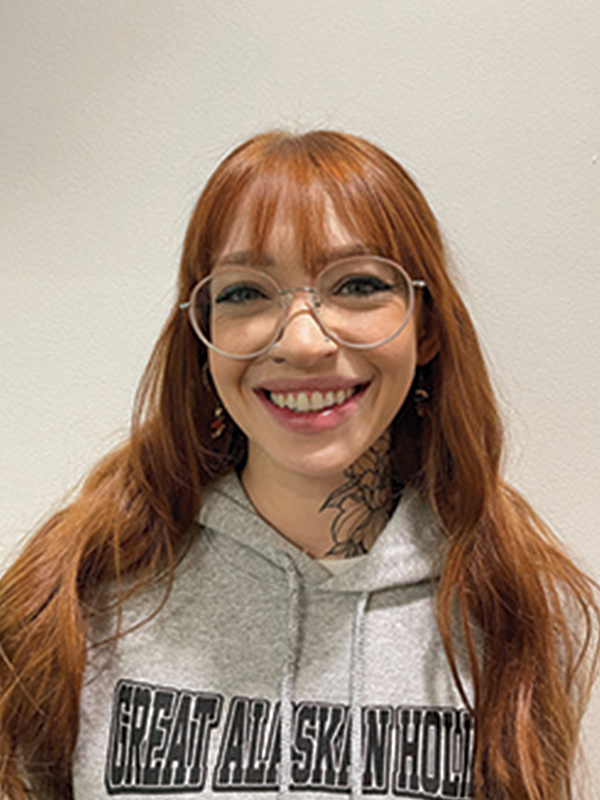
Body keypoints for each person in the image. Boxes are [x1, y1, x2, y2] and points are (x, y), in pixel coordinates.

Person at [0, 130, 598, 800]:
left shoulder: (514, 606)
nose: (304, 341)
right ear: (204, 339)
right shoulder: (75, 599)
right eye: (245, 294)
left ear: (426, 327)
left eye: (360, 285)